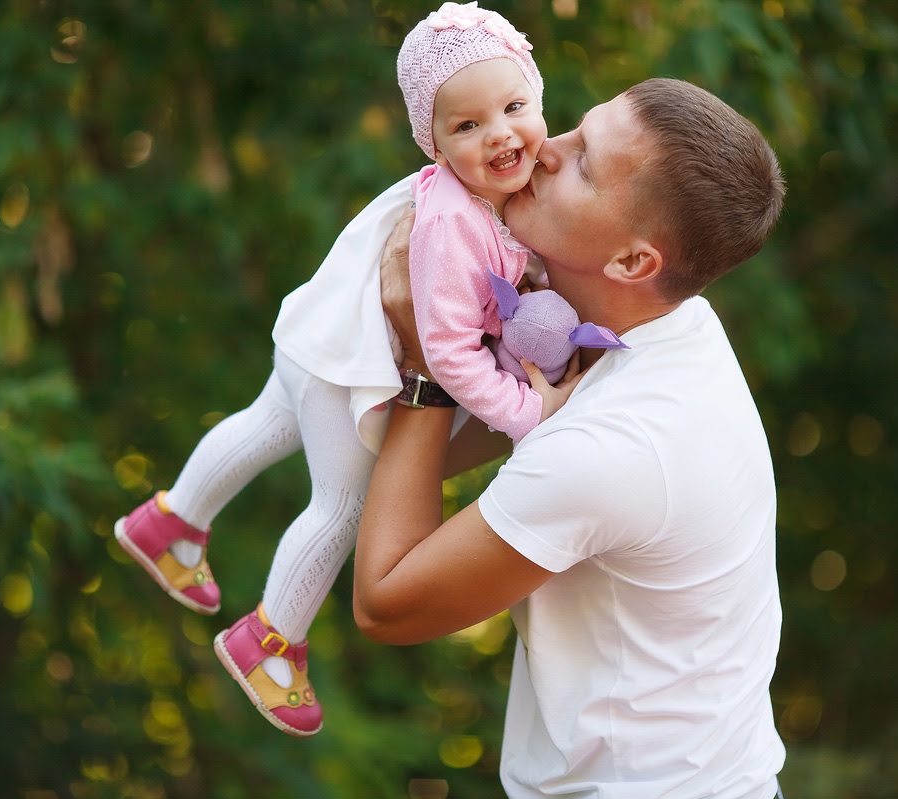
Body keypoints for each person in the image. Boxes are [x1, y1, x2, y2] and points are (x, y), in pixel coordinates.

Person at [113, 2, 568, 738]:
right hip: (345, 363)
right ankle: (267, 642)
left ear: (537, 100)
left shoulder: (481, 200)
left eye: (515, 107)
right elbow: (448, 353)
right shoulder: (455, 221)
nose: (500, 134)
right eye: (467, 126)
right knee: (344, 506)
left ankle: (170, 520)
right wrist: (524, 414)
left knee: (264, 425)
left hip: (312, 336)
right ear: (436, 143)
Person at [354, 77, 789, 799]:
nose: (541, 148)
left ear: (631, 262)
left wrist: (428, 368)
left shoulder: (610, 447)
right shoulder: (664, 331)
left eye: (583, 161)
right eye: (573, 129)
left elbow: (386, 604)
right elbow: (420, 461)